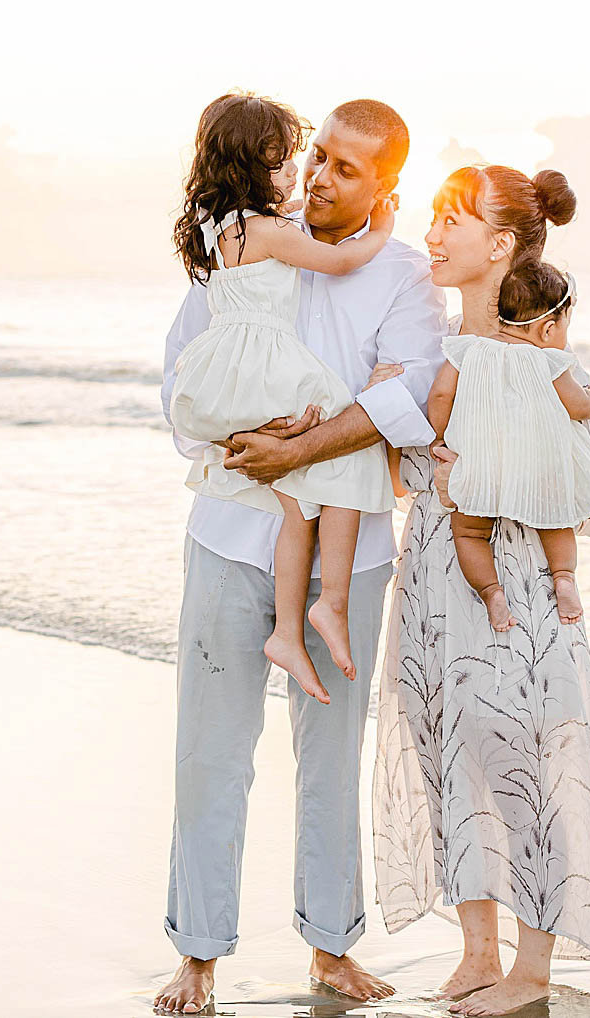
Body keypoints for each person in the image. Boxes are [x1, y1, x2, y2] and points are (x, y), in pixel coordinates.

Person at [154, 100, 447, 1014]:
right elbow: (179, 383)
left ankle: (331, 948)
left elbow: (405, 402)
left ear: (384, 188)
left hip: (346, 557)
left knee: (330, 753)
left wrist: (305, 448)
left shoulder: (402, 274)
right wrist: (251, 442)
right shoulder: (237, 243)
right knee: (210, 752)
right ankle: (197, 955)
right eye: (316, 154)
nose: (321, 175)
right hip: (227, 534)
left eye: (346, 168)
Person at [372, 165, 590, 1017]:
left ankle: (533, 967)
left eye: (452, 219)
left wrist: (504, 471)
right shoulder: (430, 353)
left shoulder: (547, 361)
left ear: (498, 244)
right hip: (432, 571)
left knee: (526, 757)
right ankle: (477, 953)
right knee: (442, 746)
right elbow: (403, 475)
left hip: (516, 583)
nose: (433, 233)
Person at [168, 92, 398, 704]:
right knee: (347, 453)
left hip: (223, 377)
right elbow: (343, 262)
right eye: (290, 161)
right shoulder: (277, 233)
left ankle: (294, 629)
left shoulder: (223, 227)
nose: (302, 175)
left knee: (299, 501)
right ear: (251, 171)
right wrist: (381, 230)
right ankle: (328, 604)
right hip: (265, 378)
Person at [429, 258, 590, 631]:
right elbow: (578, 407)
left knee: (469, 532)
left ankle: (492, 592)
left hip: (479, 464)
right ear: (548, 329)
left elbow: (442, 394)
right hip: (539, 466)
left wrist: (441, 436)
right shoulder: (550, 361)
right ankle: (564, 579)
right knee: (557, 521)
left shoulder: (468, 350)